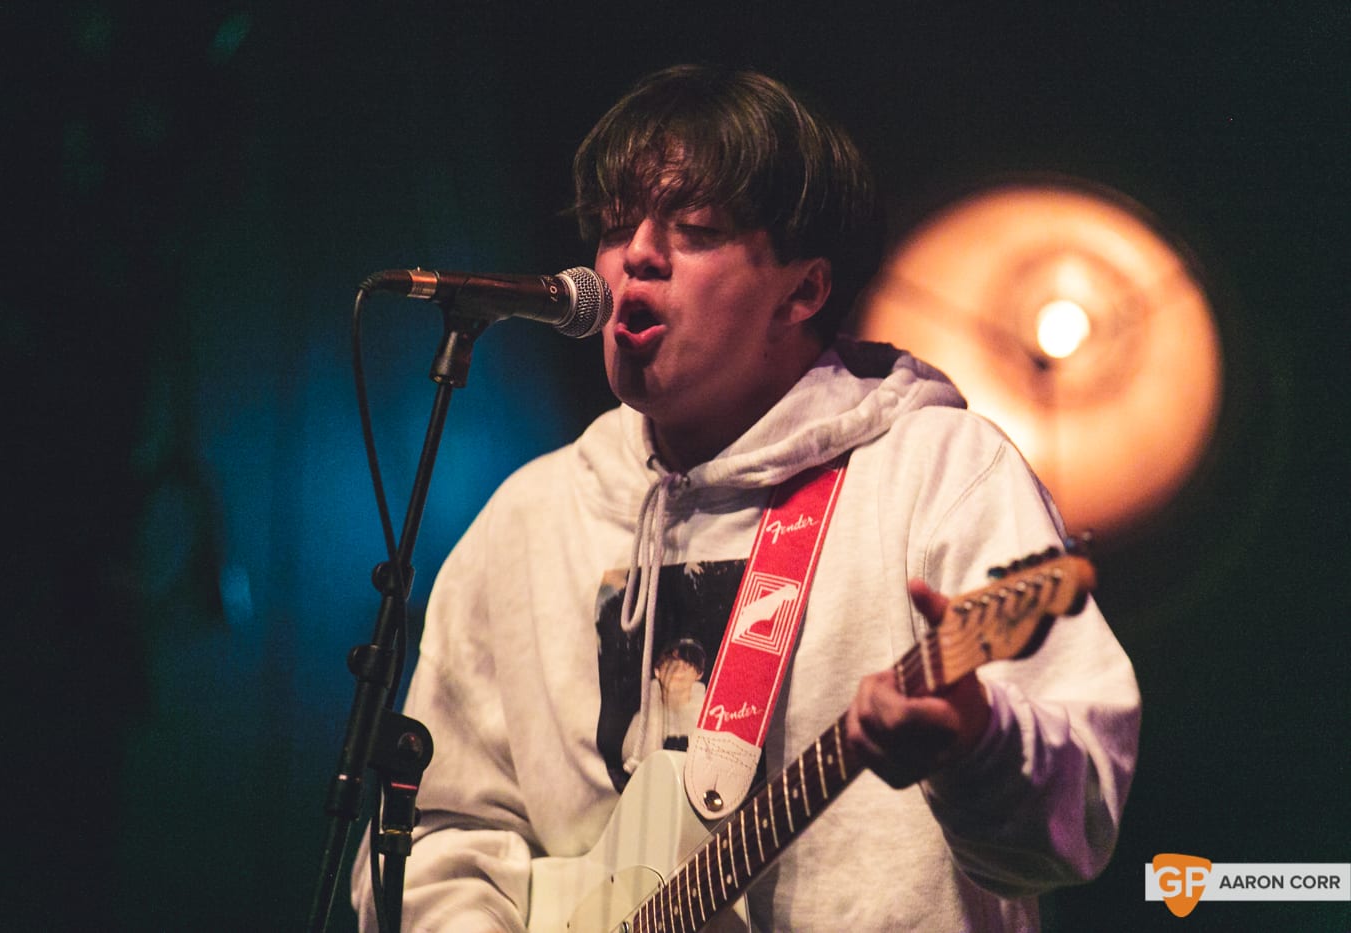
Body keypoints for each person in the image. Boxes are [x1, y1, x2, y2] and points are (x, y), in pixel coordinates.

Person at [352, 64, 1140, 932]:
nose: (636, 255)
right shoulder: (530, 521)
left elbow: (1080, 820)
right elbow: (438, 833)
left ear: (803, 290)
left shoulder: (937, 473)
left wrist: (978, 742)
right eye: (617, 226)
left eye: (695, 229)